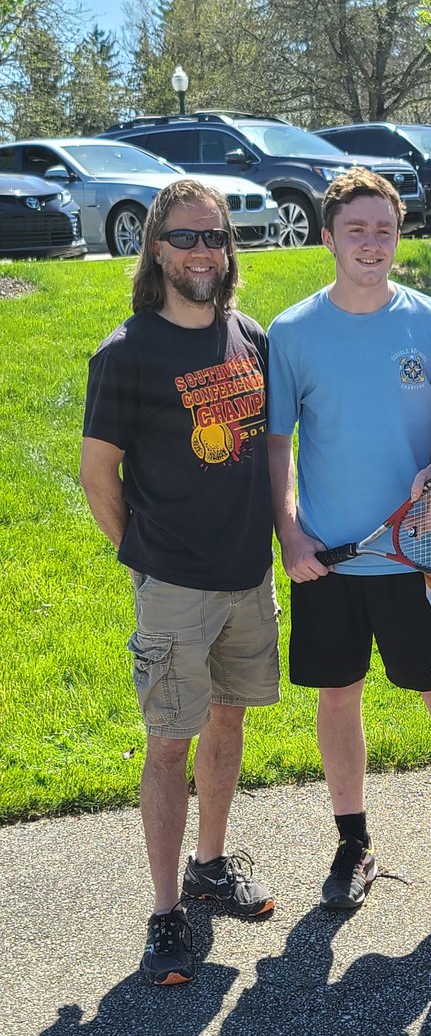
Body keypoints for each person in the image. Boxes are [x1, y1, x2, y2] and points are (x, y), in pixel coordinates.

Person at [80, 179, 278, 987]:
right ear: (157, 247)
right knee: (170, 745)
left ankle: (210, 865)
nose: (205, 252)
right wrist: (151, 561)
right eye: (188, 238)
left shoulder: (250, 336)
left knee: (227, 727)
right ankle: (166, 912)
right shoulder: (126, 353)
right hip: (174, 588)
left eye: (216, 238)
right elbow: (99, 479)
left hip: (249, 580)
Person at [266, 167, 431, 913]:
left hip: (422, 555)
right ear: (328, 238)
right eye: (356, 229)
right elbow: (276, 448)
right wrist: (290, 532)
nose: (372, 243)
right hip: (329, 560)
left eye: (384, 229)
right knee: (338, 696)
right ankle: (353, 844)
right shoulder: (290, 333)